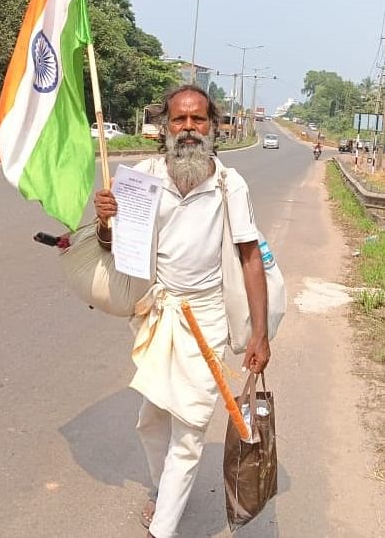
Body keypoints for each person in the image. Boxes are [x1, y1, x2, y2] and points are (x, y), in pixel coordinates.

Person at [94, 85, 269, 538]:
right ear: (164, 128)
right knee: (151, 420)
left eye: (198, 120)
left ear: (214, 126)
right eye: (179, 120)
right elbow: (121, 251)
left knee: (189, 431)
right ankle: (165, 488)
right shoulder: (142, 178)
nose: (189, 129)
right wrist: (105, 223)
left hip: (207, 317)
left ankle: (163, 528)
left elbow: (251, 258)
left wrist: (260, 334)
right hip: (159, 314)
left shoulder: (230, 184)